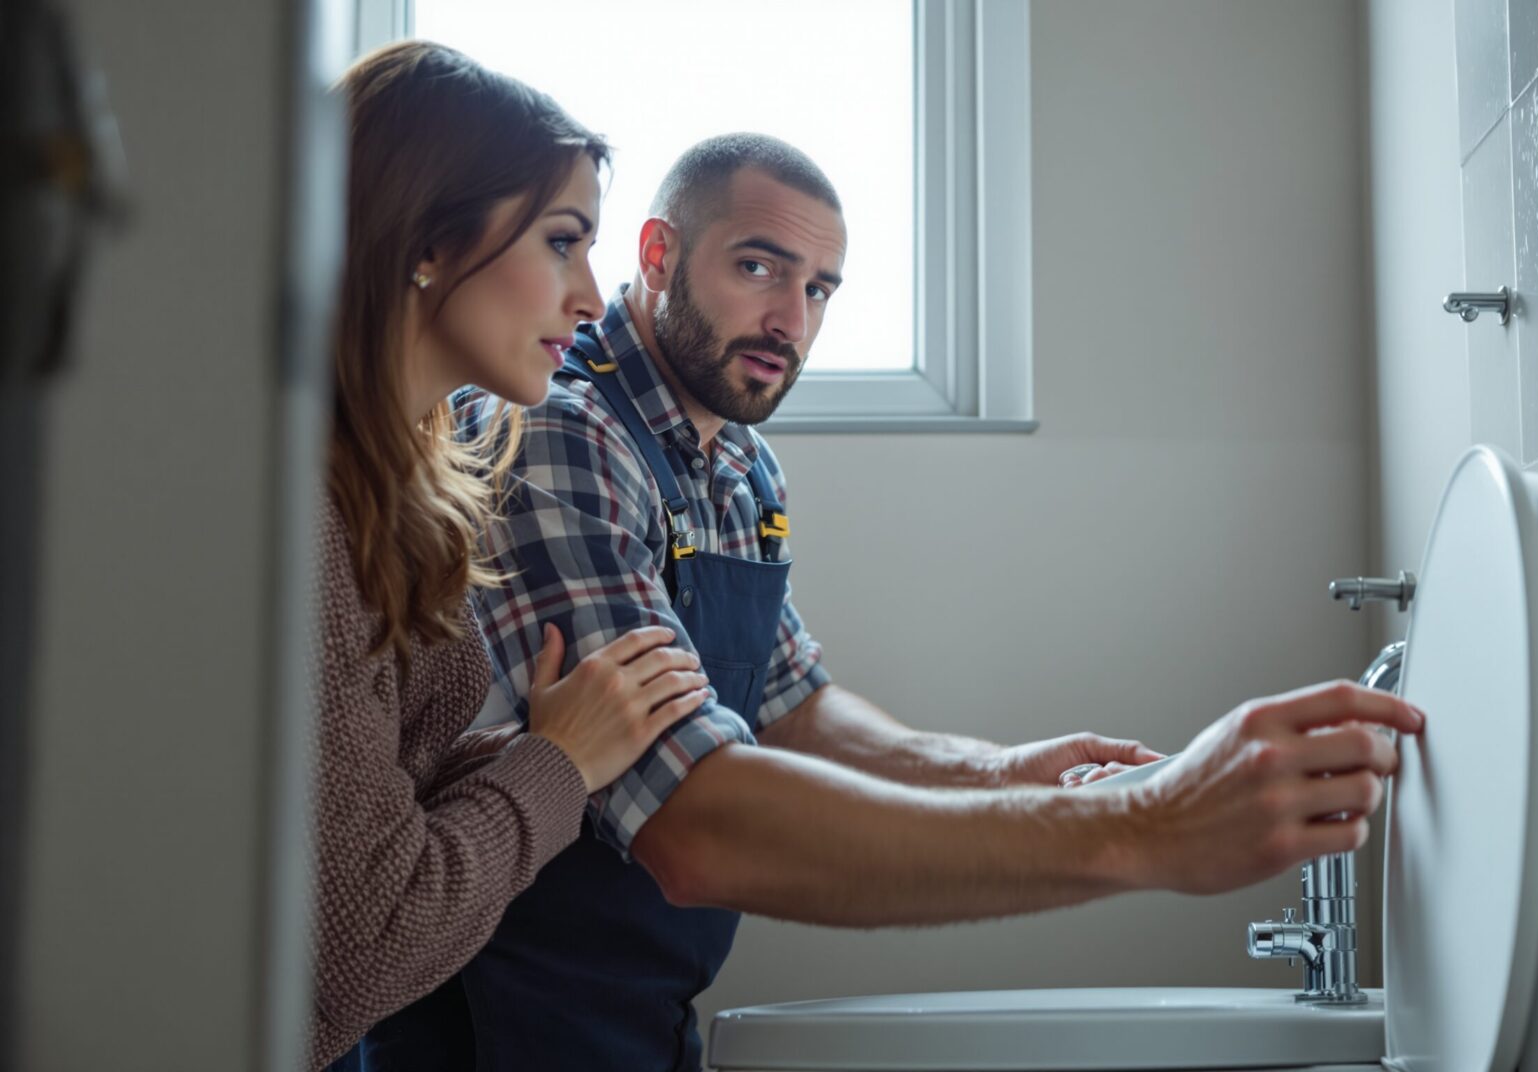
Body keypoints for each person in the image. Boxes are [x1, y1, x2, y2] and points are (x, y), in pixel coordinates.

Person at [372, 133, 1424, 1070]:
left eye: (822, 289)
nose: (791, 320)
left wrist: (1001, 771)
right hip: (495, 1017)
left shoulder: (740, 469)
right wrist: (1142, 823)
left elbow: (795, 706)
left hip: (641, 1005)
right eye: (758, 268)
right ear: (655, 257)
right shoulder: (561, 433)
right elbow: (693, 828)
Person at [305, 42, 714, 1071]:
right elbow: (368, 940)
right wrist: (557, 763)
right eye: (563, 240)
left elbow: (363, 801)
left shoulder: (395, 489)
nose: (590, 295)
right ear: (429, 240)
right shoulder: (300, 523)